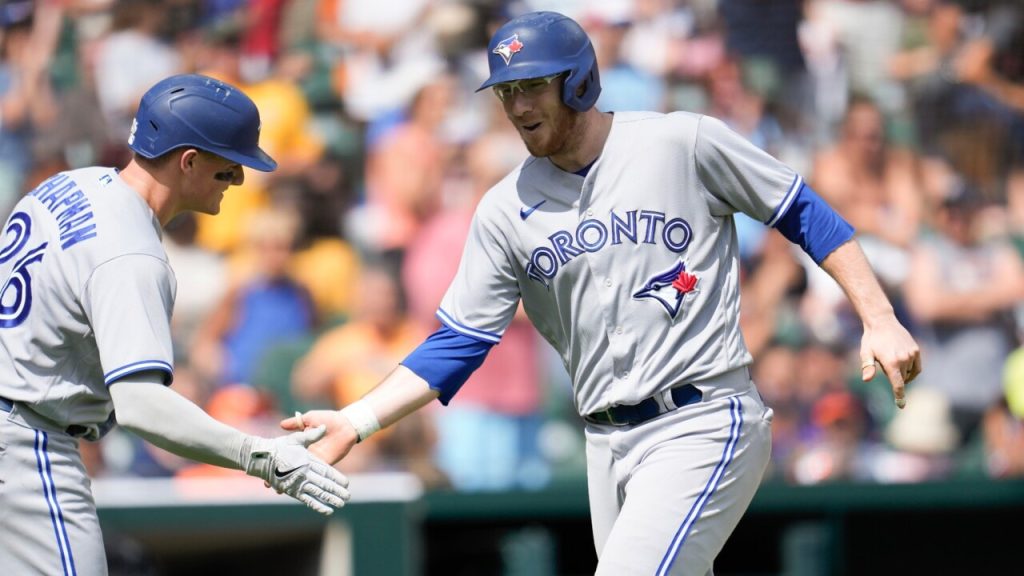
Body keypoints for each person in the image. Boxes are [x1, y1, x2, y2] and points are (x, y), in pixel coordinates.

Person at [284, 11, 920, 575]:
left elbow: (802, 211)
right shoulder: (505, 208)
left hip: (701, 417)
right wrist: (356, 418)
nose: (519, 106)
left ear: (580, 81)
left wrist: (879, 316)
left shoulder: (681, 142)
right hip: (604, 444)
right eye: (506, 91)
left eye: (533, 84)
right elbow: (459, 341)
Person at [0, 74, 349, 575]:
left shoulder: (70, 184)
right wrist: (260, 456)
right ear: (188, 160)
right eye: (230, 168)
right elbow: (141, 406)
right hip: (25, 443)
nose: (240, 181)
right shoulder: (132, 254)